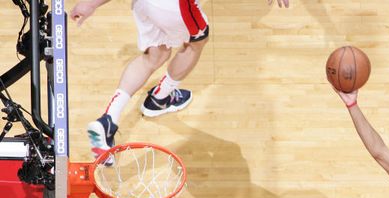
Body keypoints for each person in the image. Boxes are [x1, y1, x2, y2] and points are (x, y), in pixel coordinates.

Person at [70, 0, 289, 161]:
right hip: (176, 6)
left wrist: (91, 4)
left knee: (155, 55)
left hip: (144, 4)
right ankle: (161, 98)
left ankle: (108, 119)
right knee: (197, 41)